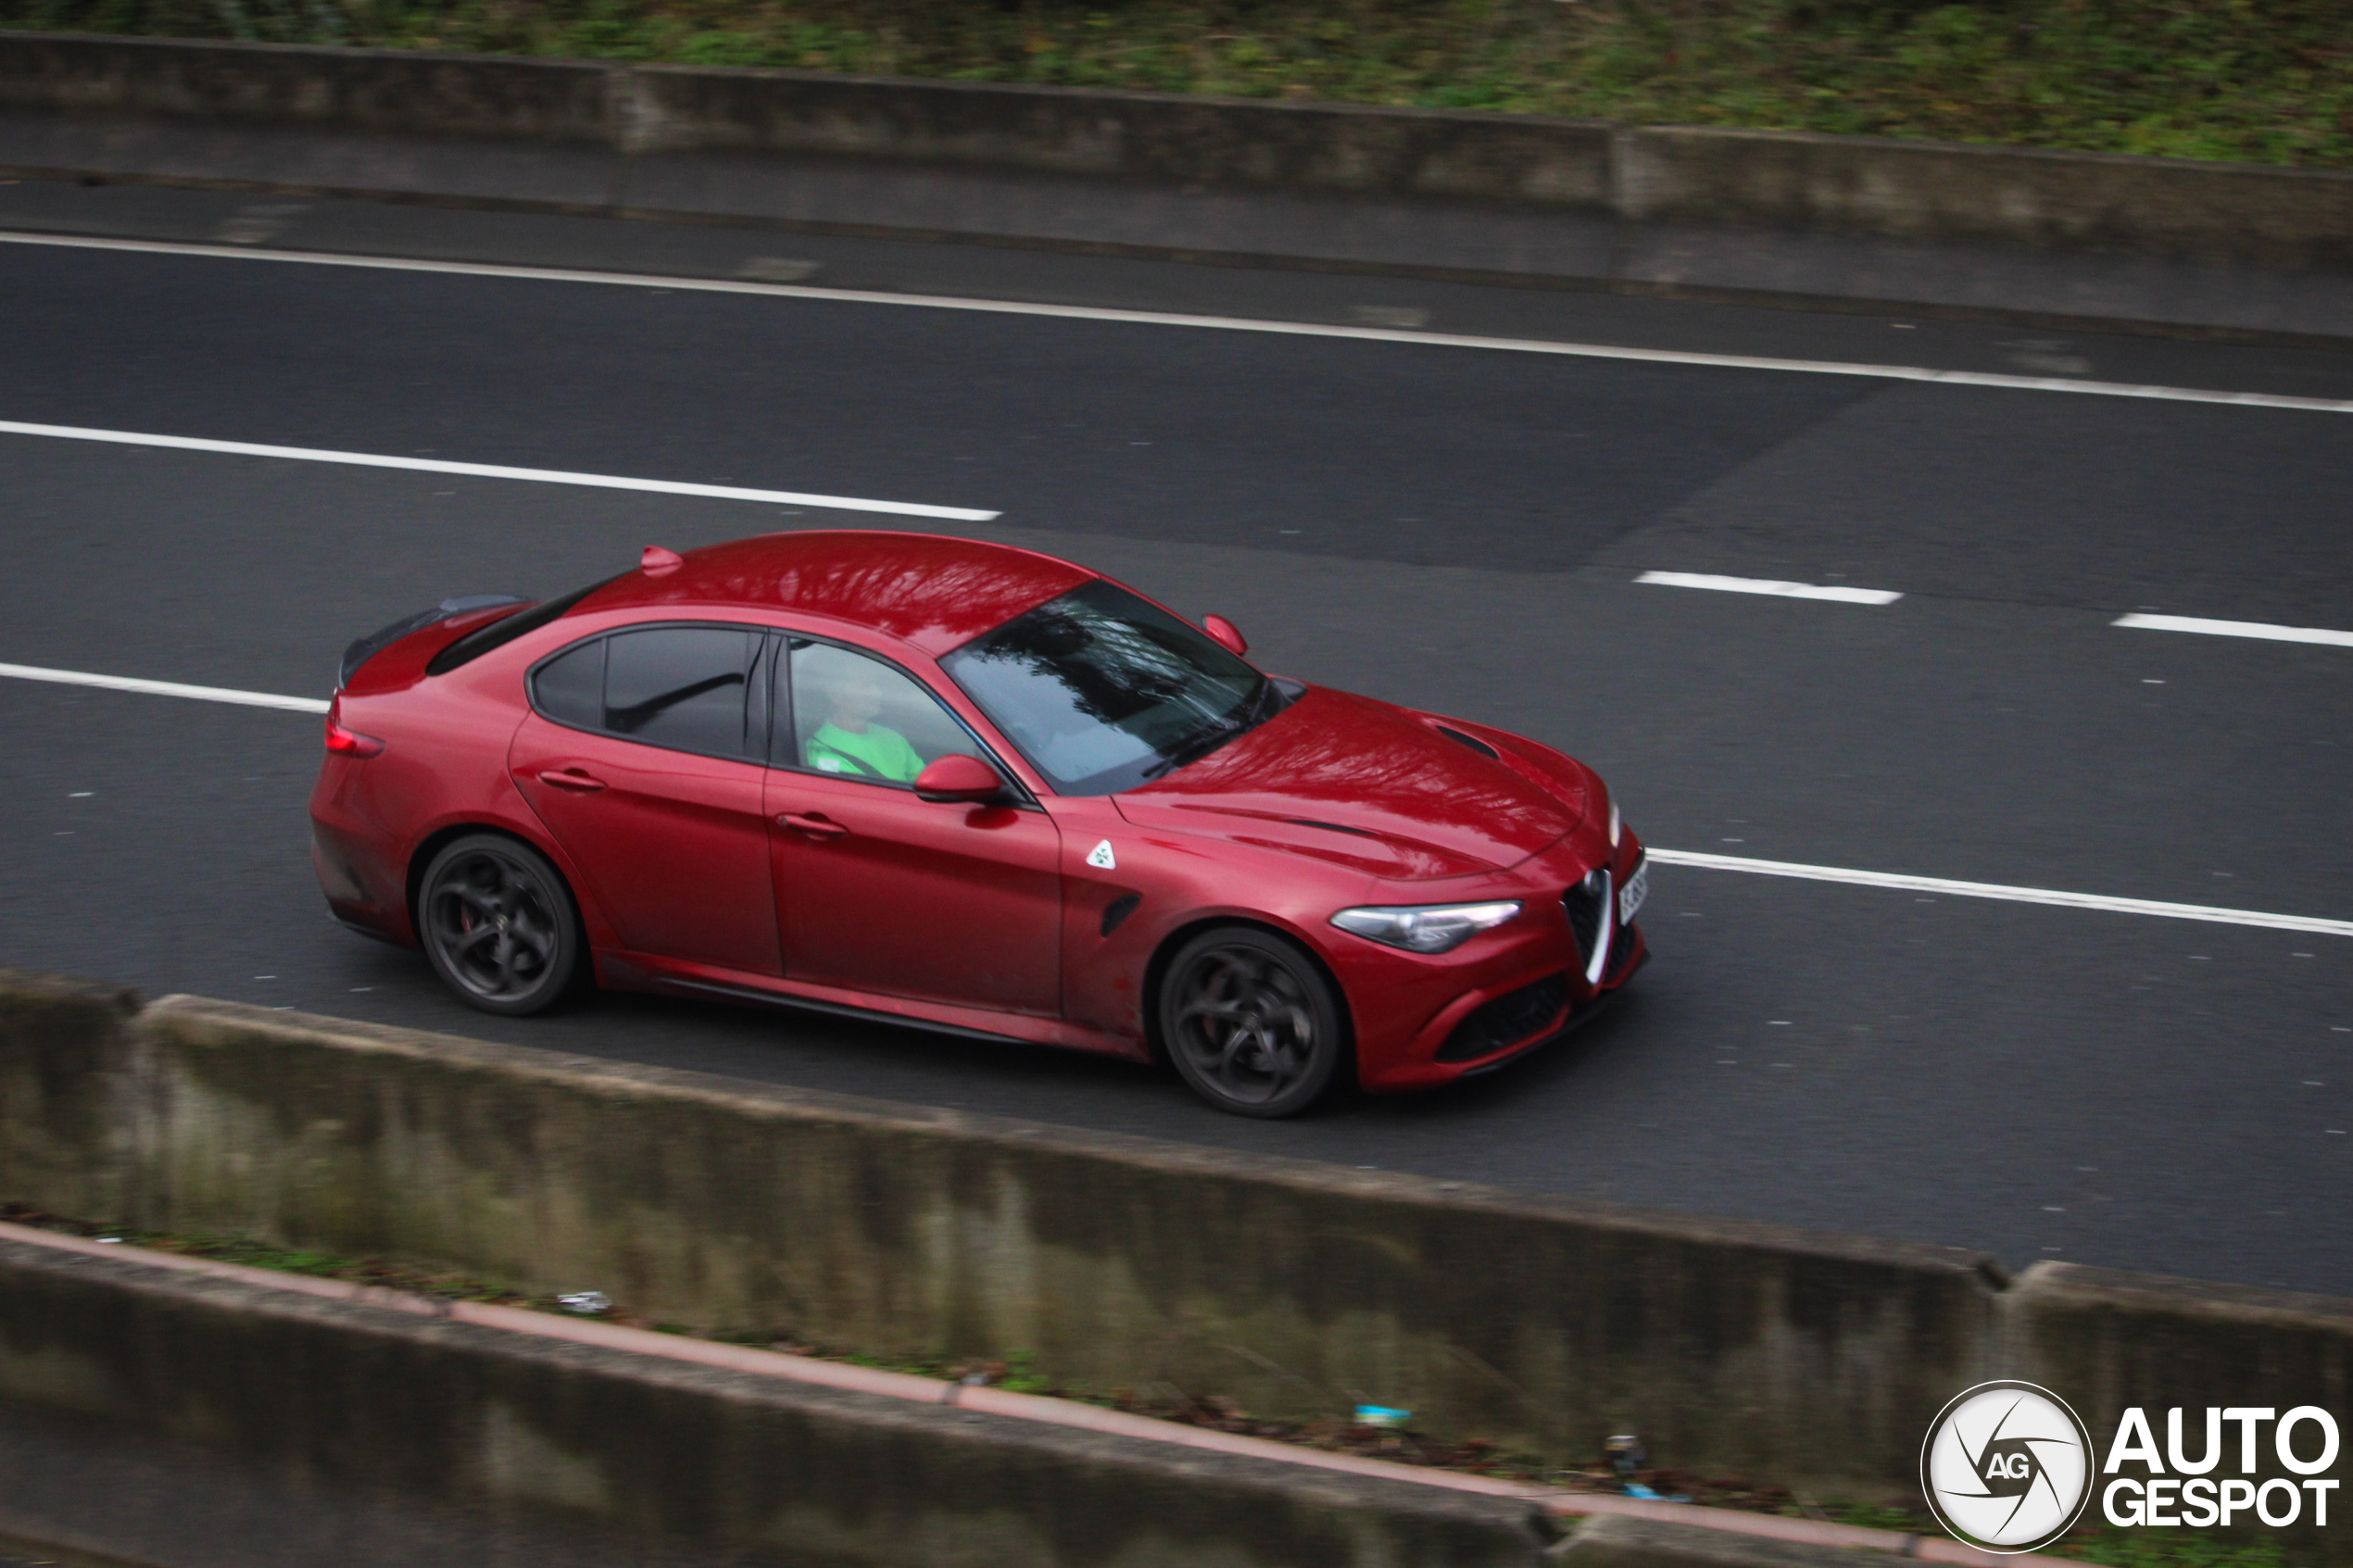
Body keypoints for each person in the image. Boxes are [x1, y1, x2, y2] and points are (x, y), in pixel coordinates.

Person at [803, 660, 926, 783]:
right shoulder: (821, 749)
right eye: (865, 686)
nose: (877, 693)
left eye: (875, 685)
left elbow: (927, 782)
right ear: (837, 696)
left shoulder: (893, 738)